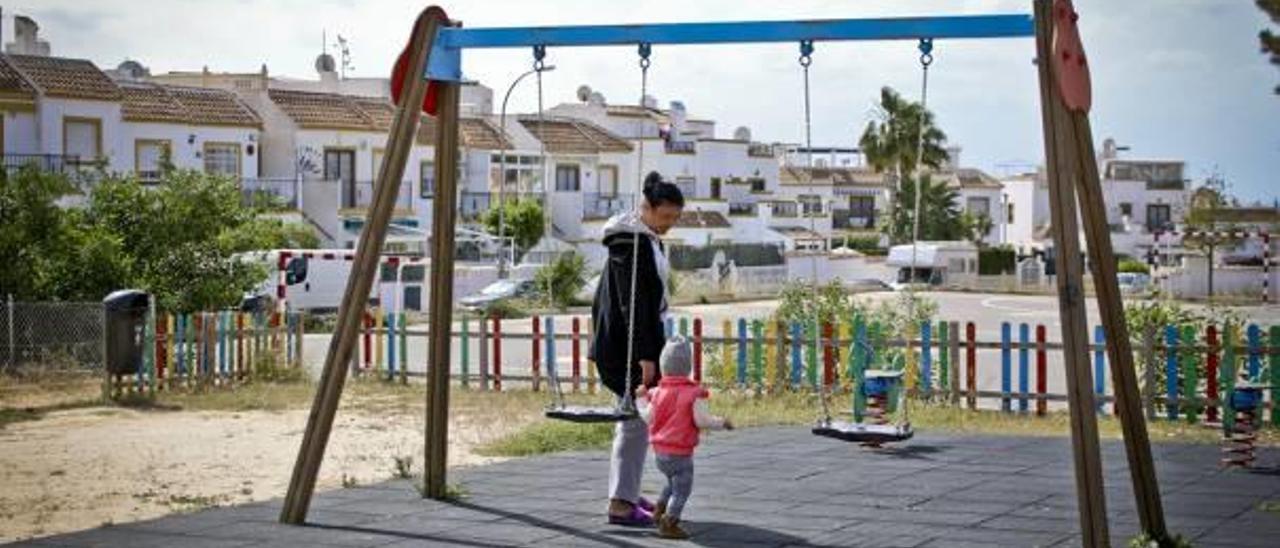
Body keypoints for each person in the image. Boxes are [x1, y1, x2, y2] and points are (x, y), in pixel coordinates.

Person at [589, 171, 684, 526]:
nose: (670, 224)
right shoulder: (629, 244)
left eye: (675, 218)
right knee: (633, 424)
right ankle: (619, 505)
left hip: (634, 342)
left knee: (634, 423)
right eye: (665, 217)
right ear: (647, 208)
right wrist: (646, 356)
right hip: (627, 347)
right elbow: (634, 304)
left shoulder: (644, 239)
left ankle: (625, 493)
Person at [636, 335, 734, 540]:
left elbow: (647, 417)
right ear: (688, 366)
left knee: (672, 483)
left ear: (663, 366)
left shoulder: (657, 392)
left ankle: (659, 509)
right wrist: (722, 422)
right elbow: (702, 421)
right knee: (682, 490)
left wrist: (639, 399)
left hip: (659, 453)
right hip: (680, 454)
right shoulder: (693, 393)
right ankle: (669, 522)